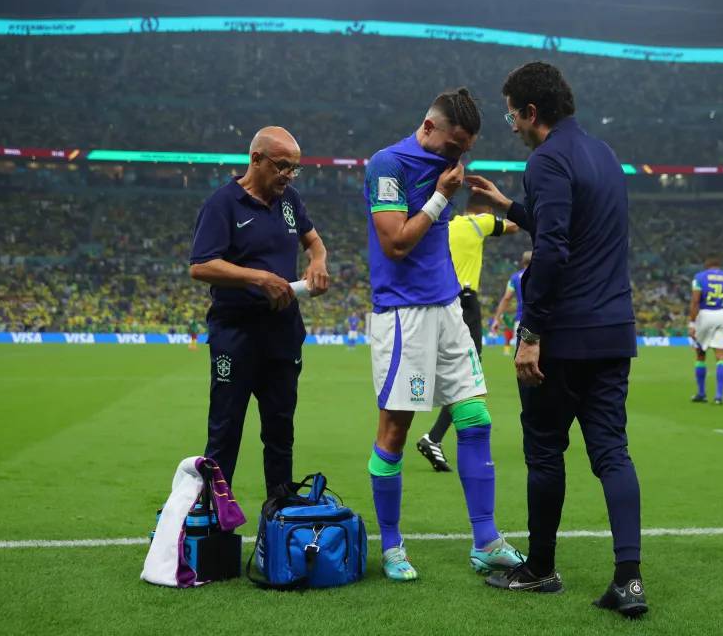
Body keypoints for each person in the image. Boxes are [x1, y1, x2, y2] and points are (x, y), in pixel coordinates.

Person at [466, 61, 646, 616]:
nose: (511, 125)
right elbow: (573, 227)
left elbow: (554, 250)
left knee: (546, 453)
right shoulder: (606, 155)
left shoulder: (545, 159)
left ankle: (540, 568)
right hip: (614, 330)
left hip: (564, 336)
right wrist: (509, 208)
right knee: (612, 453)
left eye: (512, 114)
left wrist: (531, 332)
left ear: (532, 112)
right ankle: (629, 581)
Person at [363, 88, 524, 582]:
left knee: (475, 419)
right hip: (401, 317)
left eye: (465, 149)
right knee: (396, 429)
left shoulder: (445, 165)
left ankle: (486, 540)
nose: (458, 157)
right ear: (429, 127)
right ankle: (391, 546)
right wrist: (440, 197)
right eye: (454, 145)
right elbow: (394, 244)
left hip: (448, 306)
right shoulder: (387, 165)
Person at [188, 127, 330, 495]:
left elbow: (313, 241)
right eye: (282, 166)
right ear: (256, 159)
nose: (288, 175)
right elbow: (201, 266)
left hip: (282, 333)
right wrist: (258, 278)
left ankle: (279, 522)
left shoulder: (290, 200)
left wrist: (318, 260)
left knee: (281, 433)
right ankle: (216, 526)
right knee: (224, 433)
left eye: (294, 168)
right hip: (236, 335)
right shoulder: (222, 204)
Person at [415, 193, 519, 473]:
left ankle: (433, 438)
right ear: (483, 209)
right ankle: (435, 438)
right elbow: (514, 226)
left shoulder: (446, 227)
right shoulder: (480, 222)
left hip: (440, 301)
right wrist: (499, 207)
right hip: (465, 302)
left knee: (453, 372)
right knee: (469, 375)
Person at [688, 254, 723, 405]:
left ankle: (701, 393)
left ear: (707, 264)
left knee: (700, 354)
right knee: (721, 356)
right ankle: (719, 396)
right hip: (721, 315)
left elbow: (695, 301)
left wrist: (692, 324)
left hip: (705, 314)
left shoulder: (700, 277)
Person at [492, 251, 531, 356]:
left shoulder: (514, 278)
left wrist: (497, 318)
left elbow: (507, 298)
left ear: (522, 262)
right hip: (541, 319)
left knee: (522, 354)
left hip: (522, 319)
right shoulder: (541, 275)